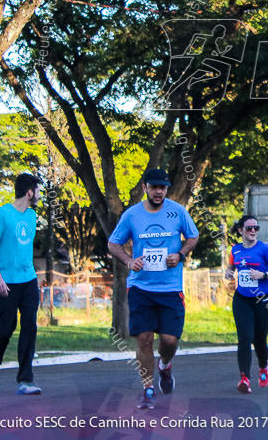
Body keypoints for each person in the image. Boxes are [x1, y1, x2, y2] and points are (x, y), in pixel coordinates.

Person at [107, 168, 199, 410]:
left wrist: (180, 255)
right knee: (145, 339)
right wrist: (128, 261)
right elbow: (113, 243)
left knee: (169, 340)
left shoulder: (177, 211)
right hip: (140, 287)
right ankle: (148, 388)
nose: (159, 191)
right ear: (145, 187)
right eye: (155, 187)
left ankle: (165, 366)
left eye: (163, 187)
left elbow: (193, 237)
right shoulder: (132, 215)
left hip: (170, 288)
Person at [0, 173, 43, 395]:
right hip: (5, 282)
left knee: (29, 327)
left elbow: (23, 250)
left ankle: (26, 380)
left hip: (29, 282)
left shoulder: (32, 216)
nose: (39, 194)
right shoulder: (2, 214)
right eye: (37, 190)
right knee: (6, 329)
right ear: (29, 192)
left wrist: (35, 279)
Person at [225, 214, 268, 393]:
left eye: (255, 228)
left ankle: (264, 366)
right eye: (249, 228)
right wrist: (228, 274)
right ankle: (244, 379)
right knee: (244, 337)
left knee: (259, 338)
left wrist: (263, 275)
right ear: (241, 230)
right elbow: (231, 267)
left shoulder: (264, 249)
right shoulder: (235, 250)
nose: (252, 231)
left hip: (264, 299)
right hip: (242, 299)